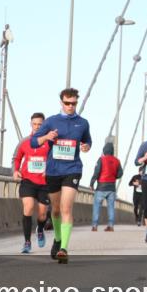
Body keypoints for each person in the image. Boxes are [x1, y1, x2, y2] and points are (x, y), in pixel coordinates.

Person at [32, 88, 92, 264]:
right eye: (67, 103)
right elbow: (34, 141)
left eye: (73, 103)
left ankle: (64, 248)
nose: (70, 106)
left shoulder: (83, 123)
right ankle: (58, 239)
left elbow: (88, 140)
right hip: (53, 170)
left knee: (66, 208)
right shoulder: (51, 121)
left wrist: (86, 147)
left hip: (72, 169)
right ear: (61, 103)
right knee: (56, 210)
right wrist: (47, 136)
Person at [12, 112, 51, 254]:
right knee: (27, 208)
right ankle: (27, 242)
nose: (37, 127)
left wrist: (51, 170)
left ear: (44, 125)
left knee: (42, 214)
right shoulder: (25, 142)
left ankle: (40, 229)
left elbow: (56, 159)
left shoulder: (50, 142)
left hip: (45, 183)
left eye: (40, 124)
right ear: (31, 124)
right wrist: (15, 171)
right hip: (27, 181)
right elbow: (16, 158)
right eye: (34, 124)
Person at [90, 141, 122, 231]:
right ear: (112, 151)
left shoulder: (101, 159)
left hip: (101, 187)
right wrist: (114, 176)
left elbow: (96, 172)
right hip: (111, 188)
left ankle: (95, 226)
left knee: (97, 207)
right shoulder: (117, 161)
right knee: (111, 207)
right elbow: (120, 173)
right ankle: (111, 226)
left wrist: (92, 183)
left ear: (104, 150)